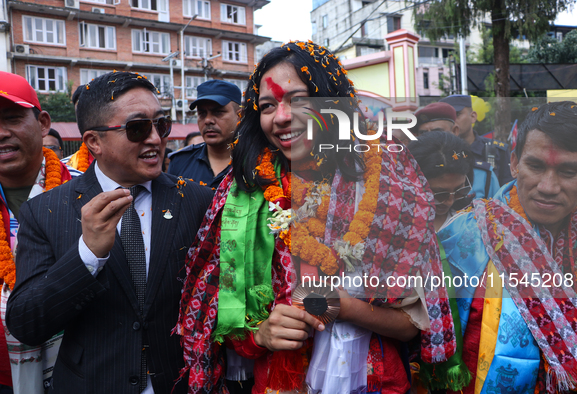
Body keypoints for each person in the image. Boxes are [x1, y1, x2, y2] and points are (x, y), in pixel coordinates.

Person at [176, 41, 457, 394]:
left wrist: (344, 306)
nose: (281, 117)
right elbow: (216, 320)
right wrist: (260, 333)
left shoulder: (388, 184)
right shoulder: (242, 194)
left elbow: (414, 324)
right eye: (266, 106)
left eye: (299, 100)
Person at [6, 71, 213, 393]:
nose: (156, 139)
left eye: (160, 124)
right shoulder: (45, 210)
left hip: (180, 382)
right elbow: (27, 323)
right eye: (137, 128)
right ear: (94, 142)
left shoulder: (199, 200)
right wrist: (88, 254)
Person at [436, 101, 577, 393]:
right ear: (514, 162)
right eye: (535, 165)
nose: (547, 186)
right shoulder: (460, 236)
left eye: (568, 171)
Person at [0, 71, 81, 393]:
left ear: (43, 122)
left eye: (12, 118)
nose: (1, 133)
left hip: (80, 368)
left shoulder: (87, 190)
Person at [413, 102, 500, 199]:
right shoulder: (409, 173)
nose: (430, 139)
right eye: (424, 134)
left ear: (455, 131)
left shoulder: (483, 175)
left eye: (437, 132)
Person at [168, 80, 240, 189]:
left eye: (218, 112)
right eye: (202, 113)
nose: (207, 120)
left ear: (239, 116)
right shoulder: (180, 163)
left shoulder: (257, 163)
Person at [439, 94, 513, 186]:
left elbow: (508, 190)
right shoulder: (438, 153)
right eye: (448, 117)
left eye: (457, 114)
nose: (453, 121)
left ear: (473, 116)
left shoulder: (496, 151)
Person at [408, 131, 475, 231]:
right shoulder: (399, 224)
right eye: (440, 195)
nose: (449, 202)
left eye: (459, 192)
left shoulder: (472, 219)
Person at [61, 85, 94, 172]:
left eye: (90, 111)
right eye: (79, 113)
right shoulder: (65, 169)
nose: (84, 119)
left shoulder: (131, 164)